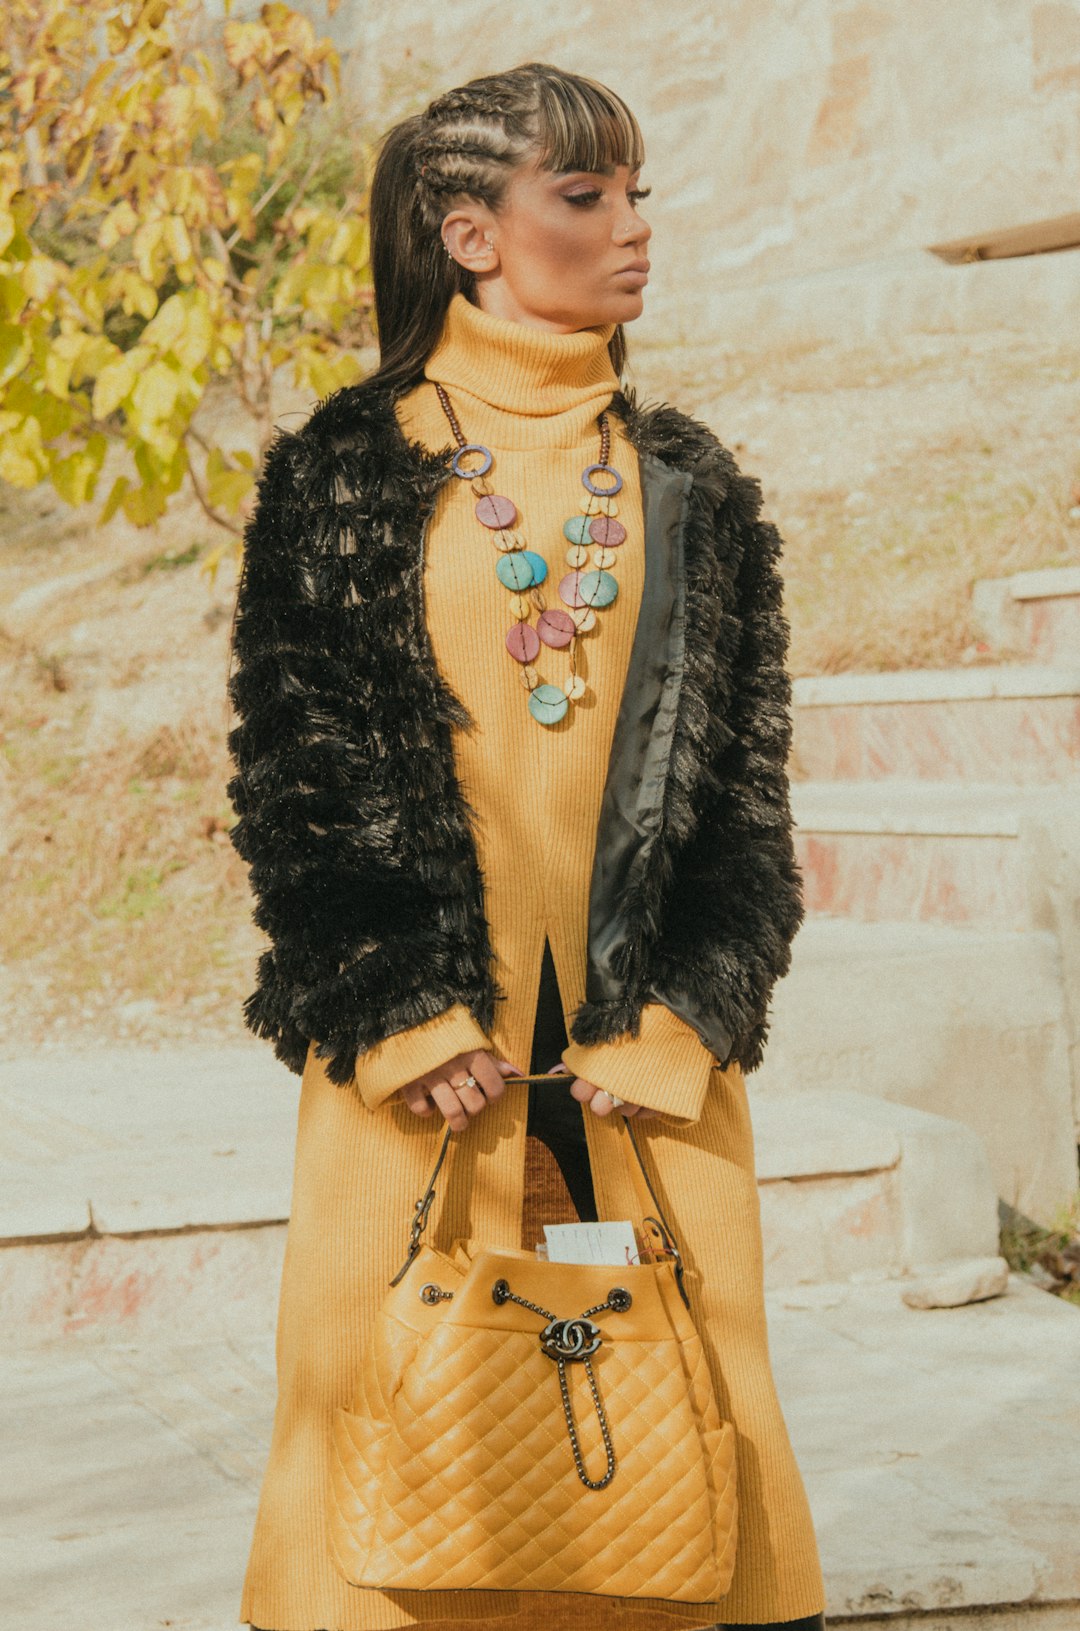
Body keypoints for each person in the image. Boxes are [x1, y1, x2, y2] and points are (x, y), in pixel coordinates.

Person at [228, 60, 827, 1631]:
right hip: (422, 1067)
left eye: (639, 196)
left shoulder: (694, 488)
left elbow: (746, 805)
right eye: (588, 197)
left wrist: (692, 1017)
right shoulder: (344, 474)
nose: (635, 231)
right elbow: (301, 781)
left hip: (647, 1058)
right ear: (471, 234)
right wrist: (396, 1014)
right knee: (385, 1427)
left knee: (688, 1446)